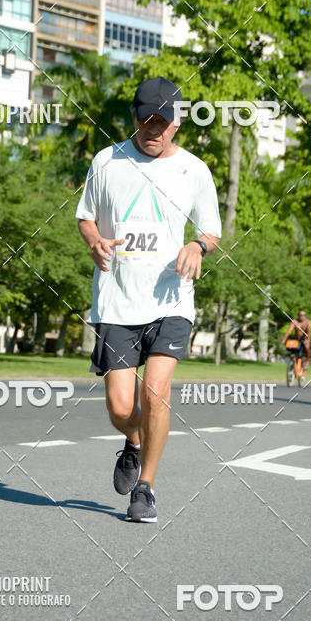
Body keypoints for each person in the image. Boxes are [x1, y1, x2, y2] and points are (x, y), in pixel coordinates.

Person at [76, 77, 221, 523]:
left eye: (162, 122)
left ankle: (146, 488)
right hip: (118, 302)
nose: (153, 130)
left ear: (177, 122)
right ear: (135, 119)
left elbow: (211, 232)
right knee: (123, 408)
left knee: (155, 393)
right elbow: (85, 218)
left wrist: (197, 247)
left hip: (171, 300)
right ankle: (134, 442)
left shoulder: (194, 170)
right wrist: (95, 241)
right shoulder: (107, 161)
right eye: (146, 121)